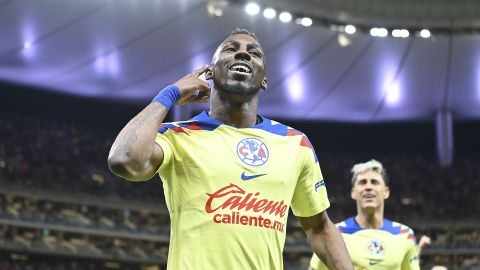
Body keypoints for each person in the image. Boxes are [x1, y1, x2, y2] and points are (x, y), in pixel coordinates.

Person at [107, 29, 352, 270]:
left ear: (264, 80)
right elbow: (125, 160)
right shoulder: (178, 135)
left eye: (253, 53)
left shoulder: (295, 143)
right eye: (231, 49)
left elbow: (319, 228)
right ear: (209, 73)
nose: (243, 54)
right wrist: (170, 93)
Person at [309, 159, 420, 270]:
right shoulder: (334, 234)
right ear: (353, 192)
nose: (368, 187)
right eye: (362, 182)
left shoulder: (405, 234)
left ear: (386, 192)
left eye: (374, 182)